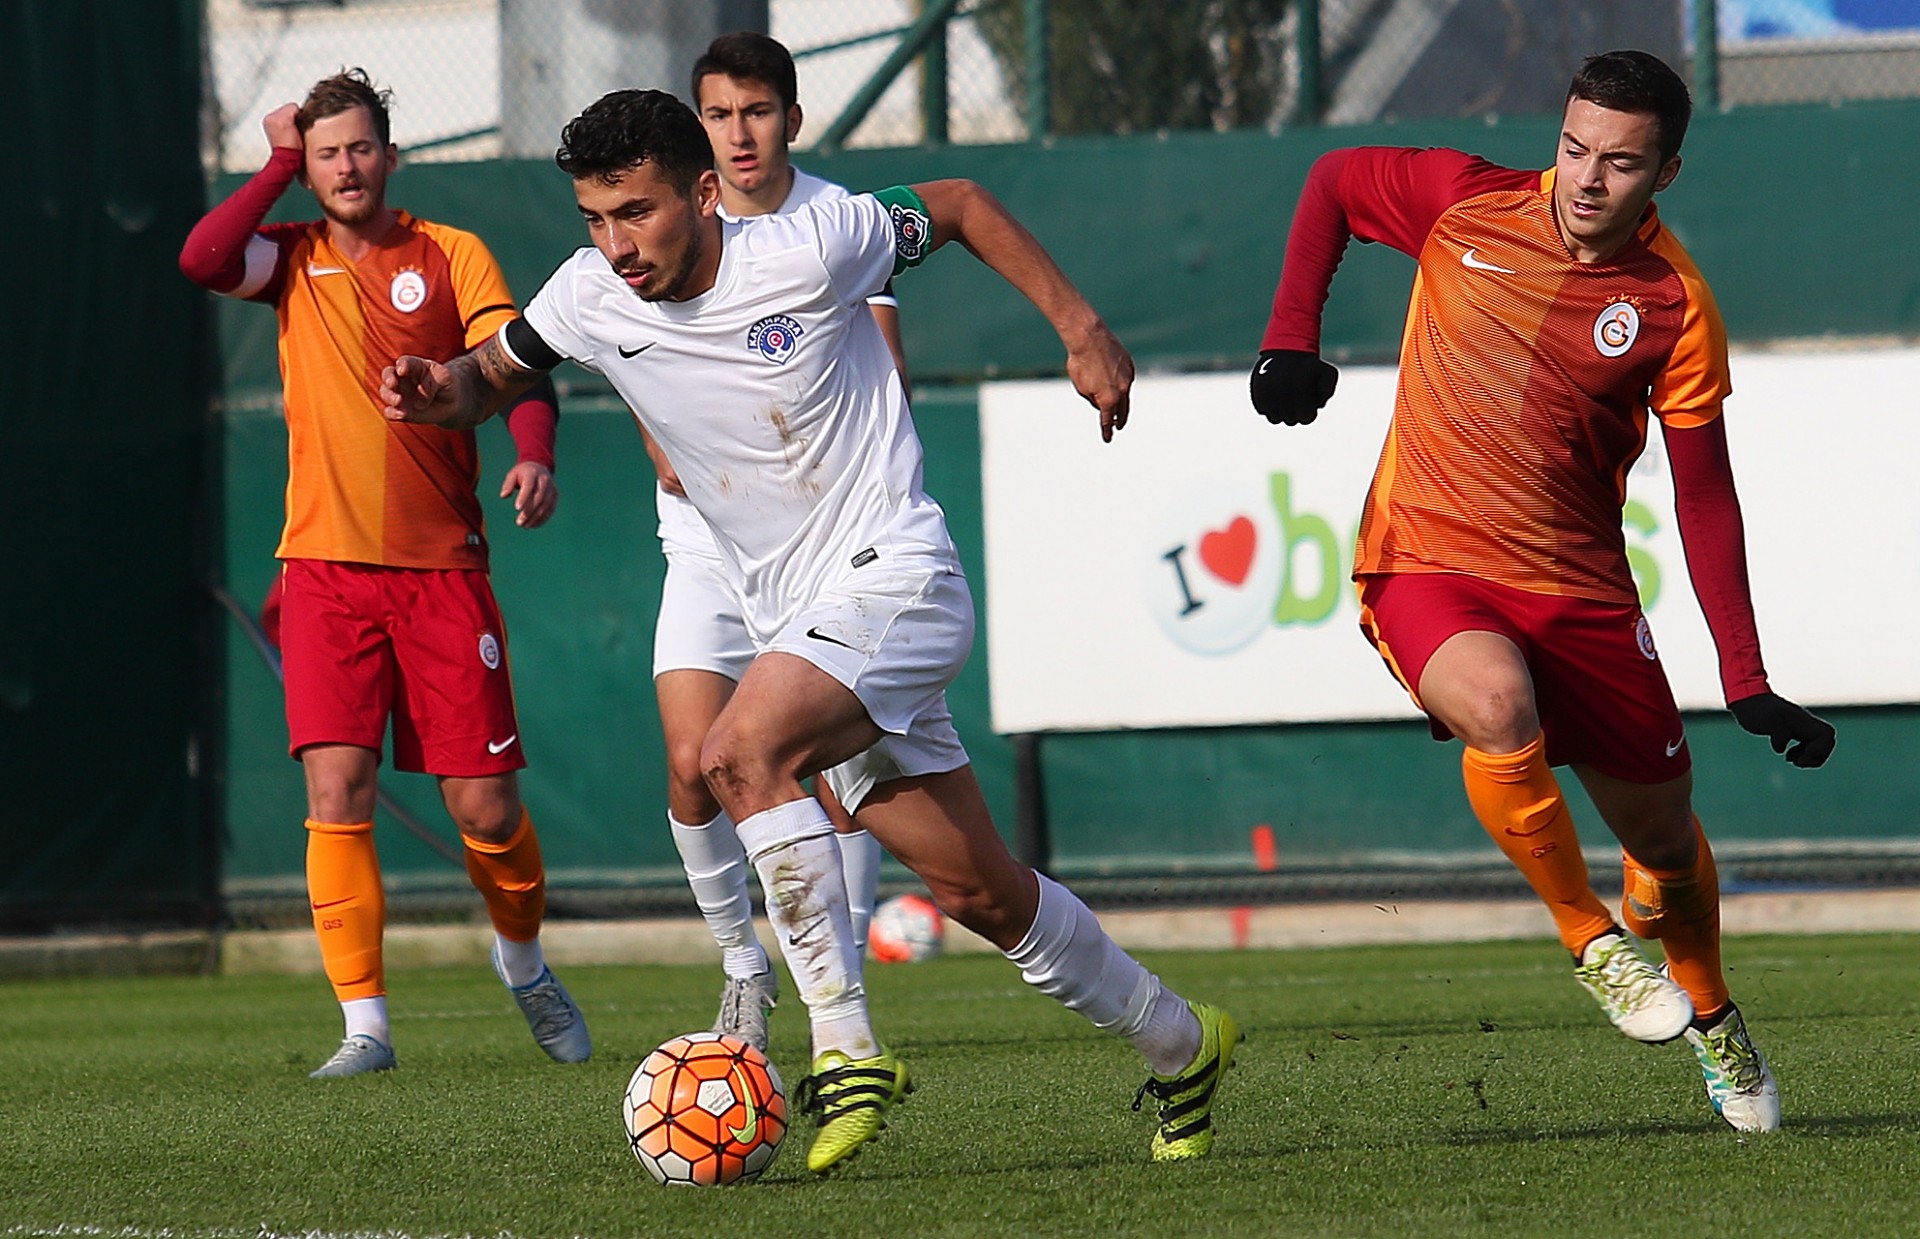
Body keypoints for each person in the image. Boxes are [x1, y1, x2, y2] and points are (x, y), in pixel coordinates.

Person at [378, 88, 1241, 1172]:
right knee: (979, 890)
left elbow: (966, 203)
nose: (616, 243)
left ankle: (844, 1047)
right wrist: (435, 387)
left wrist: (1081, 328)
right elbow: (491, 377)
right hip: (801, 619)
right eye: (595, 218)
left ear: (702, 192)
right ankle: (1179, 1041)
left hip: (898, 580)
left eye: (635, 212)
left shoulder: (809, 243)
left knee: (734, 752)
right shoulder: (590, 294)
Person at [1249, 49, 1835, 1133]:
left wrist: (1746, 679)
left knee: (1667, 847)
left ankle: (1715, 1017)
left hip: (1580, 592)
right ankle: (1591, 941)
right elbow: (1333, 179)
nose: (1584, 179)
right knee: (1496, 707)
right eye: (1572, 149)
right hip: (1425, 559)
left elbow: (1707, 499)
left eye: (1620, 162)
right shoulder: (1466, 202)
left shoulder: (1674, 303)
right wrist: (1292, 338)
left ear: (1666, 171)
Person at [180, 70, 590, 1078]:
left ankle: (525, 962)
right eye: (326, 153)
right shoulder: (290, 257)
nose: (346, 166)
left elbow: (516, 363)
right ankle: (366, 1028)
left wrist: (532, 455)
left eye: (360, 147)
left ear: (391, 156)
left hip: (442, 570)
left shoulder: (449, 253)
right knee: (337, 783)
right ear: (308, 168)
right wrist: (272, 159)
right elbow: (201, 256)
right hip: (322, 569)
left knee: (485, 810)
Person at [643, 31, 910, 1053]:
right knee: (688, 758)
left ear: (791, 118)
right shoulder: (666, 221)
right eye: (719, 113)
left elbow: (882, 358)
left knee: (846, 781)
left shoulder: (835, 223)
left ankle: (841, 1009)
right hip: (708, 541)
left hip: (824, 539)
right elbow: (631, 356)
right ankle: (743, 970)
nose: (740, 132)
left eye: (758, 111)